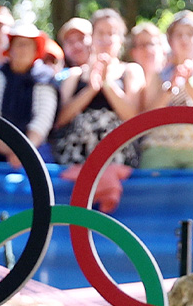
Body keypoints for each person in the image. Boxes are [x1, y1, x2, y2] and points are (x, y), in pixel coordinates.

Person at [47, 21, 137, 210]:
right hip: (76, 156)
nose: (105, 39)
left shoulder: (130, 71)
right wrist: (90, 89)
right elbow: (60, 119)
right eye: (100, 33)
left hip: (117, 155)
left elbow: (133, 118)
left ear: (121, 40)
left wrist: (107, 84)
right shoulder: (74, 75)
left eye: (111, 33)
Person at [137, 11, 193, 170]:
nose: (184, 39)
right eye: (178, 34)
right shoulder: (157, 76)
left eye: (191, 34)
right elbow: (146, 117)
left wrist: (187, 84)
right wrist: (171, 86)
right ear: (170, 41)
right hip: (158, 150)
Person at [0, 22, 59, 164]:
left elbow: (43, 120)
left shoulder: (45, 79)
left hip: (34, 149)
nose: (23, 50)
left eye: (28, 45)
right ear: (10, 48)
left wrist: (24, 151)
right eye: (19, 44)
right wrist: (12, 151)